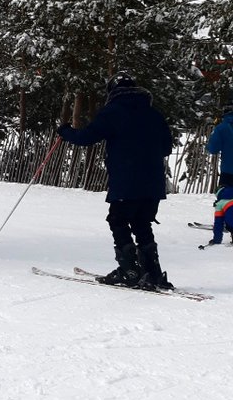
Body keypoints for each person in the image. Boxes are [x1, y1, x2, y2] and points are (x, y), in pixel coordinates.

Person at [57, 73, 174, 290]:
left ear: (112, 91)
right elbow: (167, 147)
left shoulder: (112, 112)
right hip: (152, 181)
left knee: (118, 220)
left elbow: (86, 138)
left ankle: (129, 270)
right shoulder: (153, 114)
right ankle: (152, 272)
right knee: (142, 223)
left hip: (126, 179)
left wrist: (65, 131)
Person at [205, 103, 233, 188]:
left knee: (227, 199)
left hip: (228, 171)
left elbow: (213, 149)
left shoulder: (221, 128)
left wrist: (208, 146)